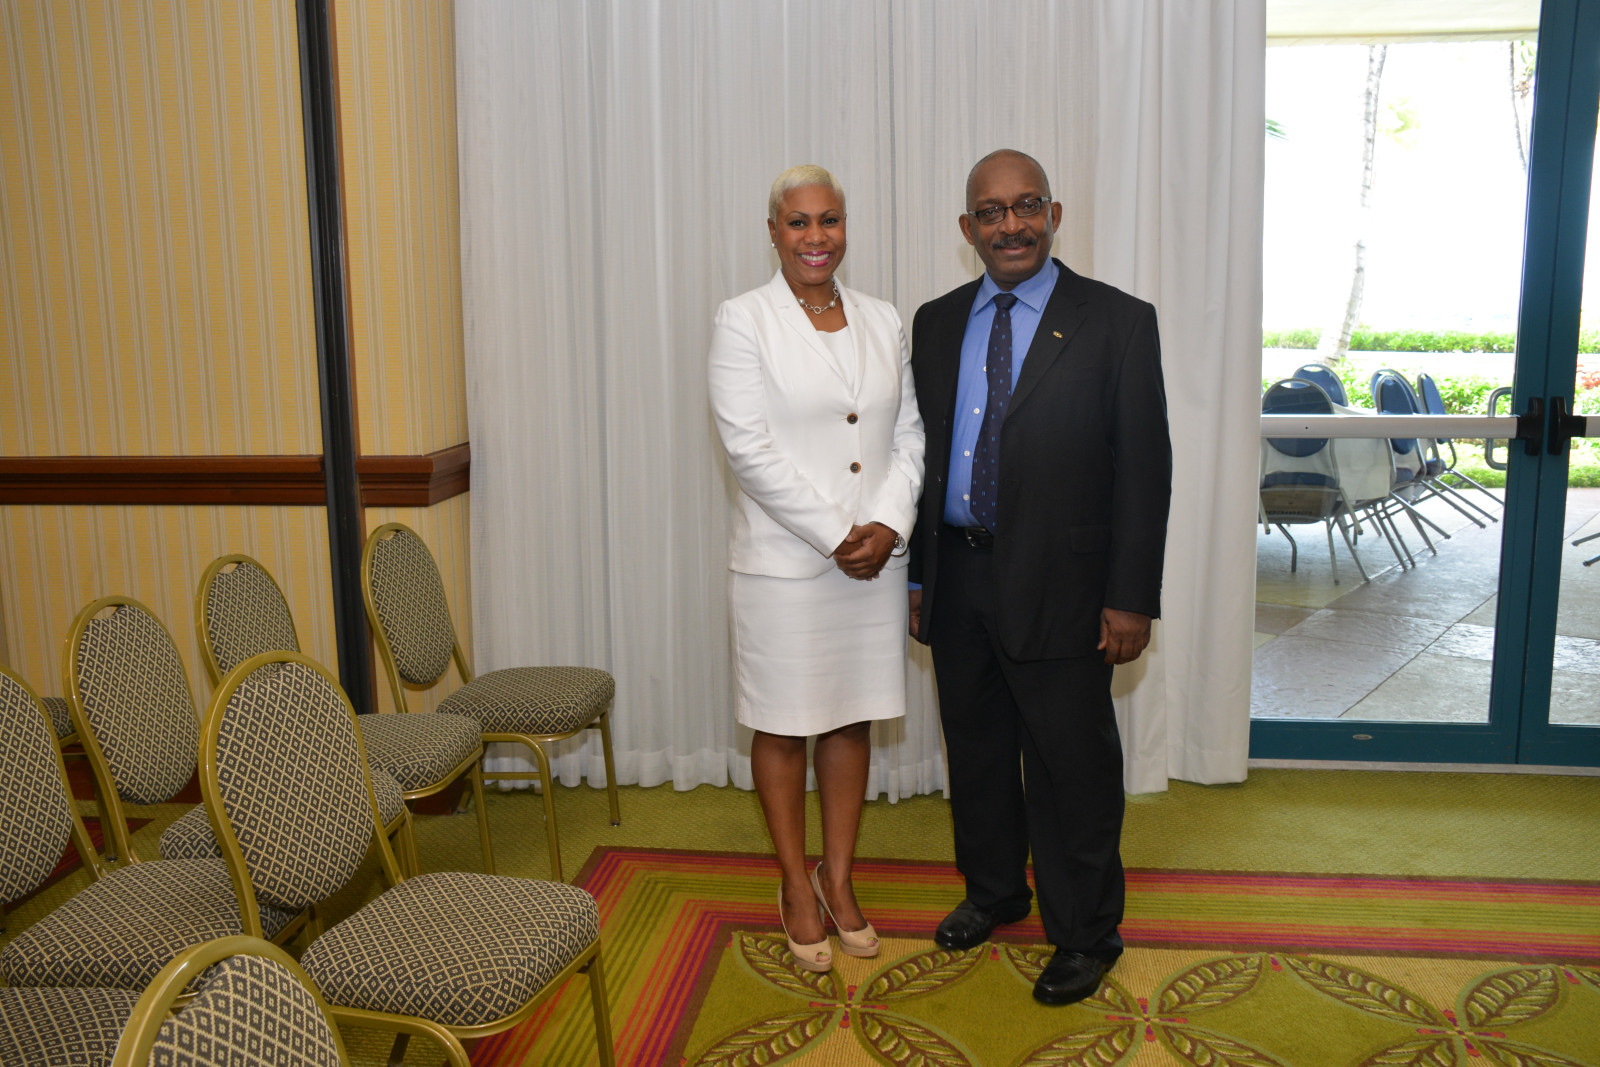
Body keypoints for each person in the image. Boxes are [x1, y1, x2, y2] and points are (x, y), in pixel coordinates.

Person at [907, 149, 1170, 1005]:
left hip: (1068, 585)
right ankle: (994, 892)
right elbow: (923, 458)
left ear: (1054, 215)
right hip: (959, 576)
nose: (1010, 224)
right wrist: (918, 578)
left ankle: (1086, 932)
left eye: (1027, 206)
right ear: (968, 227)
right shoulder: (936, 323)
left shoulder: (1118, 321)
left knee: (1069, 767)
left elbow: (1145, 470)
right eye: (991, 211)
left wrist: (1130, 596)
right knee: (977, 750)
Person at [708, 164, 925, 973]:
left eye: (829, 220)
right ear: (773, 231)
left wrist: (888, 524)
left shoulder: (883, 317)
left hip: (872, 561)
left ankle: (839, 876)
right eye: (798, 222)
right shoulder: (743, 319)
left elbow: (908, 435)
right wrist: (838, 532)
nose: (815, 236)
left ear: (844, 227)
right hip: (787, 564)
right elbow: (748, 447)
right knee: (783, 721)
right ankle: (795, 884)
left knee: (849, 717)